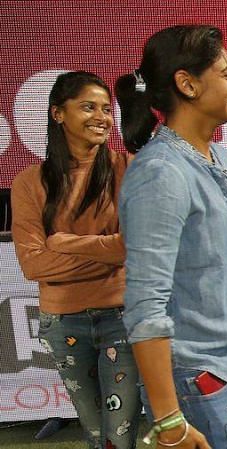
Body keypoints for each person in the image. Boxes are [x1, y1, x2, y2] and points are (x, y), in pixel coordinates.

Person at [115, 25, 227, 449]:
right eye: (226, 74)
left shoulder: (220, 156)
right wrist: (169, 419)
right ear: (186, 84)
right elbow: (145, 305)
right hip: (197, 384)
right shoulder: (160, 173)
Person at [11, 70, 141, 449]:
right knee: (96, 434)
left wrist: (65, 242)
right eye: (88, 107)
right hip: (62, 323)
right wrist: (107, 250)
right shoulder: (29, 182)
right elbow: (33, 264)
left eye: (106, 108)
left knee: (119, 436)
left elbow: (134, 248)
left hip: (122, 317)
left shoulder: (128, 169)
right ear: (58, 114)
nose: (101, 117)